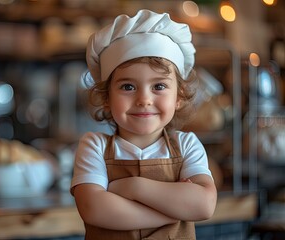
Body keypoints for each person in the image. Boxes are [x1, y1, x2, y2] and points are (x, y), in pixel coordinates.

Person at [70, 9, 217, 240]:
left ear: (178, 96)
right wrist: (172, 212)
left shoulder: (187, 144)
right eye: (128, 87)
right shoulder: (93, 146)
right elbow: (94, 209)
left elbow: (204, 205)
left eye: (158, 86)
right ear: (106, 98)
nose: (144, 99)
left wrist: (132, 187)